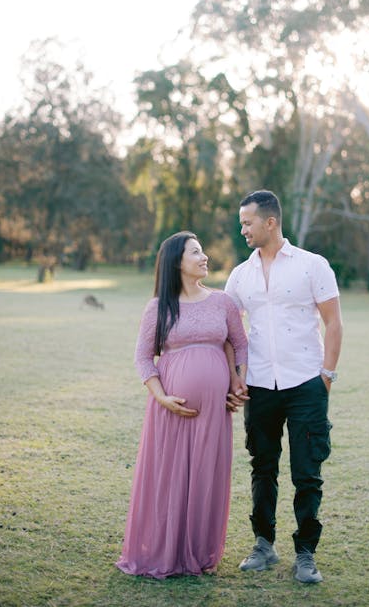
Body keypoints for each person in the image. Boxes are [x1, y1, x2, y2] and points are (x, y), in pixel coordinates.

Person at [225, 190, 342, 584]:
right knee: (262, 466)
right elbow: (228, 329)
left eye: (247, 222)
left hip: (306, 383)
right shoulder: (240, 275)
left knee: (307, 472)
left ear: (269, 222)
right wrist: (235, 376)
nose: (243, 229)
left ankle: (306, 553)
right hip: (259, 386)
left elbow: (334, 322)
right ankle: (263, 543)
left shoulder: (313, 265)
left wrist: (326, 375)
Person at [116, 231, 248, 579]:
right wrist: (162, 397)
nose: (204, 257)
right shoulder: (159, 306)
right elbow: (144, 359)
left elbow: (240, 344)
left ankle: (198, 551)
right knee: (169, 478)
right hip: (170, 409)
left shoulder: (222, 302)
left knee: (206, 477)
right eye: (196, 252)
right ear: (177, 262)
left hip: (214, 413)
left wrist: (238, 380)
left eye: (203, 251)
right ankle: (165, 550)